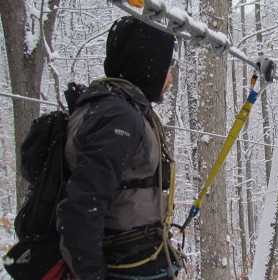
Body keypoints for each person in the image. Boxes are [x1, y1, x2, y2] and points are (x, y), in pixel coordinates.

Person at [57, 16, 179, 280]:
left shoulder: (118, 107)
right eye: (166, 65)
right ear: (147, 63)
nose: (170, 76)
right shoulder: (118, 115)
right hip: (123, 265)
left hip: (136, 257)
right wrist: (91, 274)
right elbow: (83, 203)